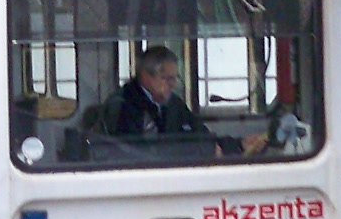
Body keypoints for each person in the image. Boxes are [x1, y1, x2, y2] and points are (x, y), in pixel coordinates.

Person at [106, 46, 263, 154]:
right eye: (167, 79)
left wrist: (239, 145)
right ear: (146, 77)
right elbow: (141, 154)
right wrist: (200, 152)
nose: (173, 85)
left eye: (175, 79)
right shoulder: (122, 106)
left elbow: (201, 135)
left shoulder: (173, 103)